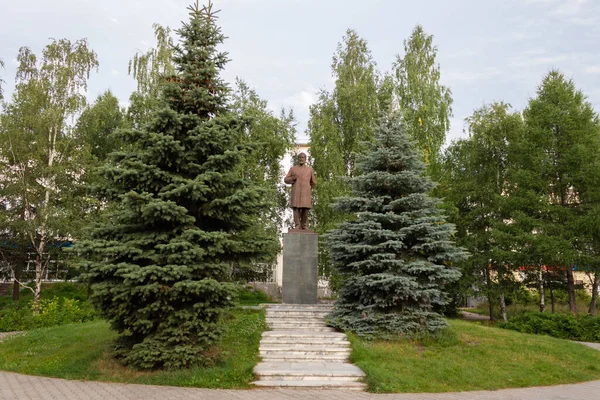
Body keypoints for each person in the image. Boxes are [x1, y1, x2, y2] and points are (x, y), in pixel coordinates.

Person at [284, 152, 316, 230]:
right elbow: (286, 180)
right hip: (296, 192)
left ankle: (304, 225)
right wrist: (292, 179)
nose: (301, 159)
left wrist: (308, 188)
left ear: (305, 159)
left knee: (305, 209)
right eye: (300, 157)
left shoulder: (310, 169)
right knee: (296, 209)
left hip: (306, 193)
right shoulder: (293, 169)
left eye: (303, 157)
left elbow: (314, 182)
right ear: (298, 159)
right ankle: (297, 225)